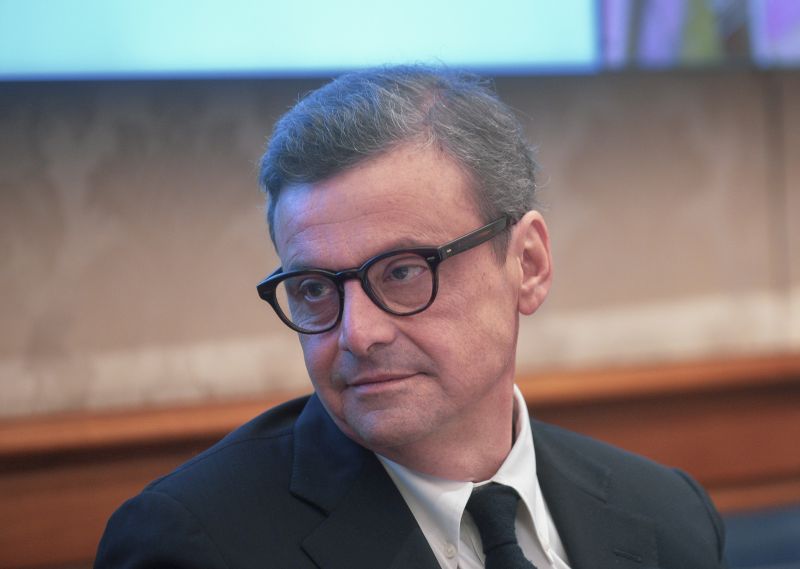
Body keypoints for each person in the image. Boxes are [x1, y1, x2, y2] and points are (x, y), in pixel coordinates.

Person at [95, 65, 727, 569]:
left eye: (402, 272)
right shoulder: (194, 544)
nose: (357, 334)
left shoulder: (669, 514)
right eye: (314, 288)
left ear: (528, 264)